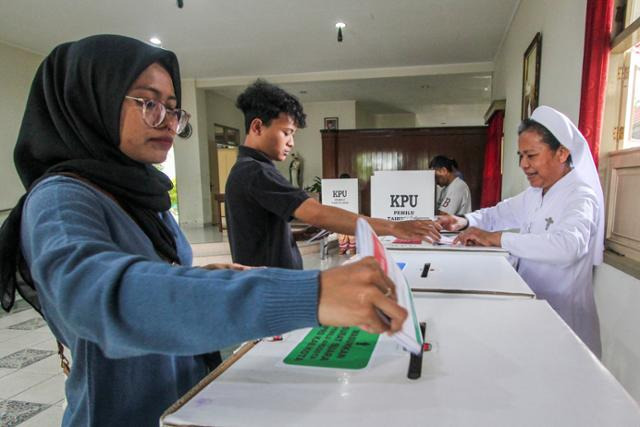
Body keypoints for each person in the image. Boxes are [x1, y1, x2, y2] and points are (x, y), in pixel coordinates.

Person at [0, 35, 408, 427]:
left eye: (173, 108)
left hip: (183, 401)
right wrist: (310, 293)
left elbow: (154, 273)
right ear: (90, 101)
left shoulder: (143, 193)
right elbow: (96, 297)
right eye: (148, 103)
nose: (167, 122)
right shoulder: (60, 198)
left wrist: (206, 276)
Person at [438, 106, 604, 356]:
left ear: (561, 153)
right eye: (520, 156)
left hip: (564, 319)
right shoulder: (536, 192)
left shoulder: (580, 196)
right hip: (532, 305)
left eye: (531, 156)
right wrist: (463, 221)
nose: (524, 165)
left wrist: (498, 239)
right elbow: (498, 214)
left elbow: (569, 247)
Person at [226, 79, 441, 269]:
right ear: (257, 127)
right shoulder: (254, 171)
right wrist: (393, 227)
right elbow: (317, 214)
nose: (291, 142)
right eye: (286, 133)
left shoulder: (249, 168)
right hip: (271, 290)